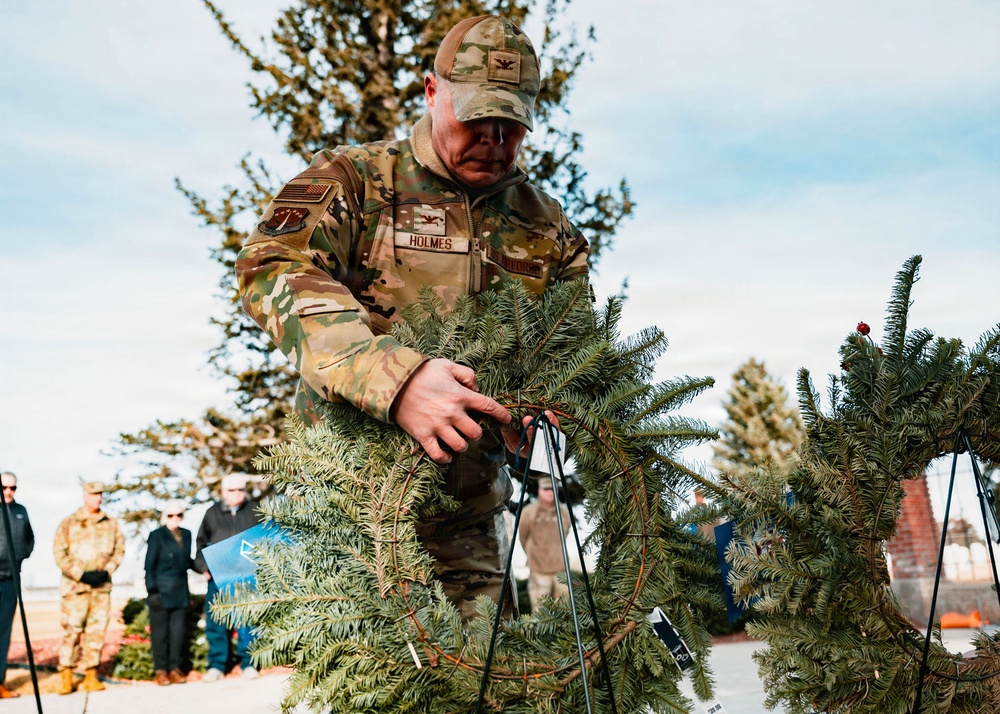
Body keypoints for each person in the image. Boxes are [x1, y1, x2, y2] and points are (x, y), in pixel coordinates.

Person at [236, 14, 588, 620]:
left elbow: (575, 354)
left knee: (485, 669)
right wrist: (394, 380)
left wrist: (544, 416)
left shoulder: (547, 228)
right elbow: (270, 265)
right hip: (350, 516)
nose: (493, 139)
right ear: (432, 92)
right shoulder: (356, 181)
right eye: (476, 117)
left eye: (511, 124)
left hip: (469, 527)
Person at [52, 481, 124, 695]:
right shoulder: (69, 523)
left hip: (100, 589)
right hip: (76, 588)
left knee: (96, 632)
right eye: (93, 494)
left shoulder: (111, 523)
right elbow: (59, 553)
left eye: (100, 494)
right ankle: (66, 675)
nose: (98, 498)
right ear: (85, 496)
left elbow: (119, 550)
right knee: (72, 631)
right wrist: (79, 573)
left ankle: (91, 674)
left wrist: (107, 571)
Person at [194, 474, 261, 681]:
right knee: (216, 620)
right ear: (223, 492)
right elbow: (201, 542)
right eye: (232, 490)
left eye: (241, 489)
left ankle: (249, 663)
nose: (237, 493)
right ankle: (217, 665)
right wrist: (204, 568)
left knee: (247, 619)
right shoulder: (212, 513)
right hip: (218, 575)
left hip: (247, 575)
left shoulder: (254, 510)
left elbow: (265, 538)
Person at [144, 499, 194, 686]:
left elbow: (187, 561)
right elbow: (149, 566)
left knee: (178, 633)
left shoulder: (187, 534)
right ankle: (161, 671)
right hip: (160, 591)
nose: (175, 518)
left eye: (179, 514)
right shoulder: (156, 535)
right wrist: (152, 590)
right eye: (171, 515)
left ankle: (175, 668)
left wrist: (206, 569)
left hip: (180, 591)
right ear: (165, 516)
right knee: (160, 633)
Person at [0, 472, 33, 699]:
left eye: (13, 488)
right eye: (4, 487)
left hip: (11, 580)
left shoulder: (21, 511)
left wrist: (21, 555)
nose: (8, 492)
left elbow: (30, 539)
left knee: (3, 633)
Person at [518, 476, 572, 612]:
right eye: (546, 489)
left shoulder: (564, 512)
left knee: (565, 611)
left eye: (552, 489)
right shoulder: (528, 512)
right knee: (540, 613)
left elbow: (566, 533)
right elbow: (523, 538)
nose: (549, 492)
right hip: (538, 570)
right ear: (539, 491)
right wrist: (533, 555)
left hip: (561, 570)